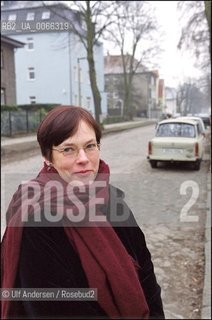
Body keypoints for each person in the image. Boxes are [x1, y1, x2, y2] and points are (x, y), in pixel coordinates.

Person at [1, 105, 165, 319]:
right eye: (68, 149)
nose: (83, 159)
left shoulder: (111, 199)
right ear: (48, 157)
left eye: (90, 146)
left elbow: (146, 272)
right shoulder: (36, 218)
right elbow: (54, 306)